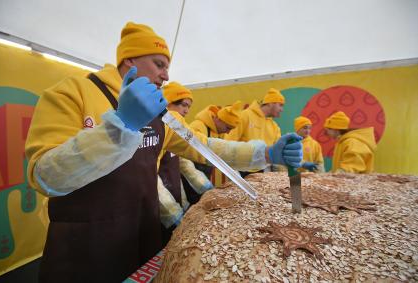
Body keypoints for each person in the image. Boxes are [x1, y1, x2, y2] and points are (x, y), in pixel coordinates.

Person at [25, 21, 302, 283]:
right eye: (159, 64)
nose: (166, 75)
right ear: (130, 61)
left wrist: (266, 154)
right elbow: (45, 176)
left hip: (142, 237)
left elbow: (206, 146)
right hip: (85, 248)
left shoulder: (161, 115)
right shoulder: (73, 92)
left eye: (167, 67)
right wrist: (120, 126)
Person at [180, 101, 243, 204]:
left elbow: (224, 154)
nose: (228, 132)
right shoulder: (198, 126)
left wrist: (237, 178)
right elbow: (186, 158)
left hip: (205, 173)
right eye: (228, 128)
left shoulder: (219, 132)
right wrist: (200, 183)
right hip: (191, 177)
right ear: (218, 120)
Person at [157, 81, 195, 246]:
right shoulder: (158, 129)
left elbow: (183, 165)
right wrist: (172, 212)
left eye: (189, 106)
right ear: (168, 103)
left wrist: (184, 204)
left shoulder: (177, 129)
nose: (186, 111)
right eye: (183, 105)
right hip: (159, 202)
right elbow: (150, 177)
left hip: (174, 192)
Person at [225, 88, 284, 176]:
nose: (281, 109)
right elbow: (228, 141)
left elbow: (278, 151)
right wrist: (233, 170)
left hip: (263, 172)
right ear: (271, 103)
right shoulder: (245, 115)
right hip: (242, 171)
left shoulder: (274, 126)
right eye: (280, 105)